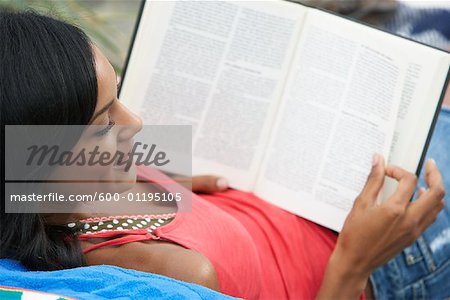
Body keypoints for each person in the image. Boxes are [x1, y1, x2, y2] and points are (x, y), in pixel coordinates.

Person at [0, 10, 448, 300]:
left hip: (307, 200)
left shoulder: (69, 193)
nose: (133, 122)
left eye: (119, 95)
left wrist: (177, 185)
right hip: (380, 259)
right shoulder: (178, 274)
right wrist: (356, 262)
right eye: (104, 123)